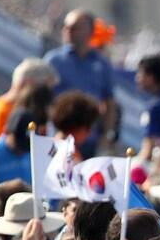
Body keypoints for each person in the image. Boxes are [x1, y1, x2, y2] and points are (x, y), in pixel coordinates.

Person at [43, 10, 118, 150]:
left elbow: (110, 103)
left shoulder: (102, 64)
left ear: (90, 31)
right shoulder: (53, 61)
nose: (68, 31)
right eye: (66, 27)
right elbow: (42, 98)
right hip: (58, 139)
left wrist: (107, 136)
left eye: (74, 27)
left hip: (88, 140)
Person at [0, 58, 56, 148]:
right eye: (44, 89)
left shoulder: (22, 111)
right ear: (27, 84)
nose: (46, 95)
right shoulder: (1, 112)